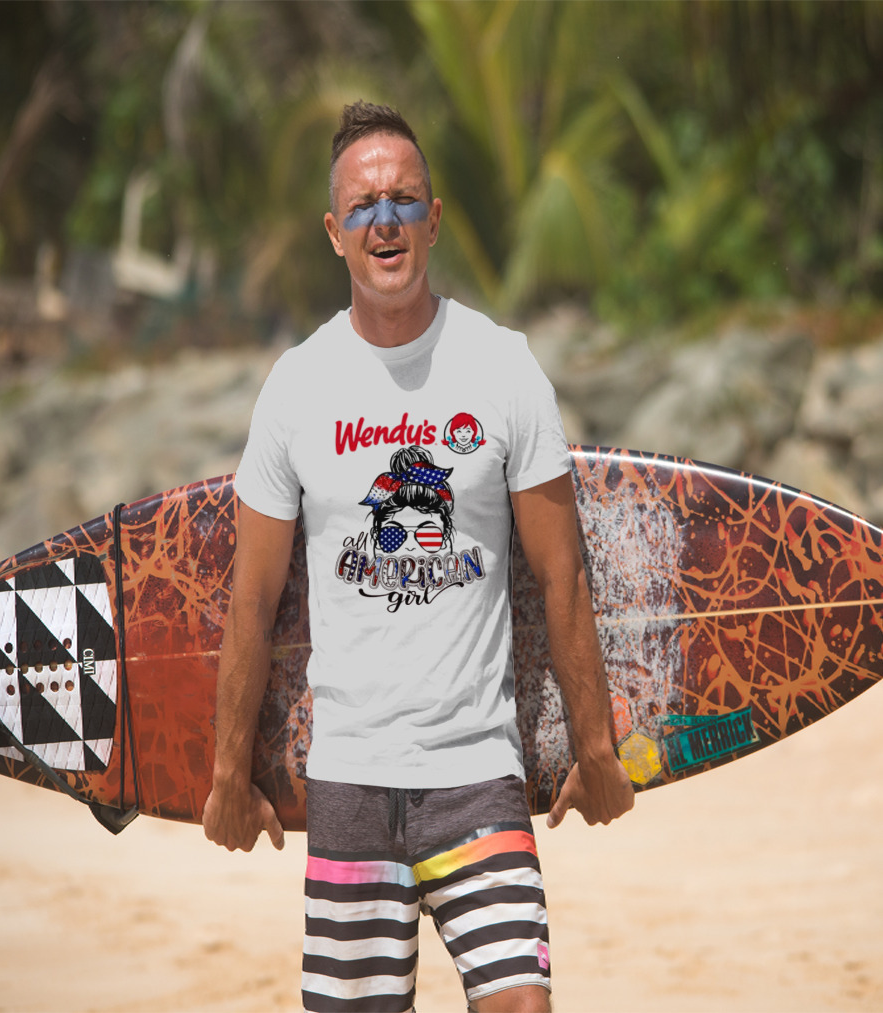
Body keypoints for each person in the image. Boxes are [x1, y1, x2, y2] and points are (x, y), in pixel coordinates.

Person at [203, 100, 634, 1013]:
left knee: (523, 1003)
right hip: (351, 778)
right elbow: (252, 600)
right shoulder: (297, 387)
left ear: (434, 219)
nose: (385, 220)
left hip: (478, 772)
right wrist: (225, 772)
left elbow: (562, 574)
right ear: (334, 232)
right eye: (363, 206)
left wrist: (595, 746)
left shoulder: (504, 367)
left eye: (404, 200)